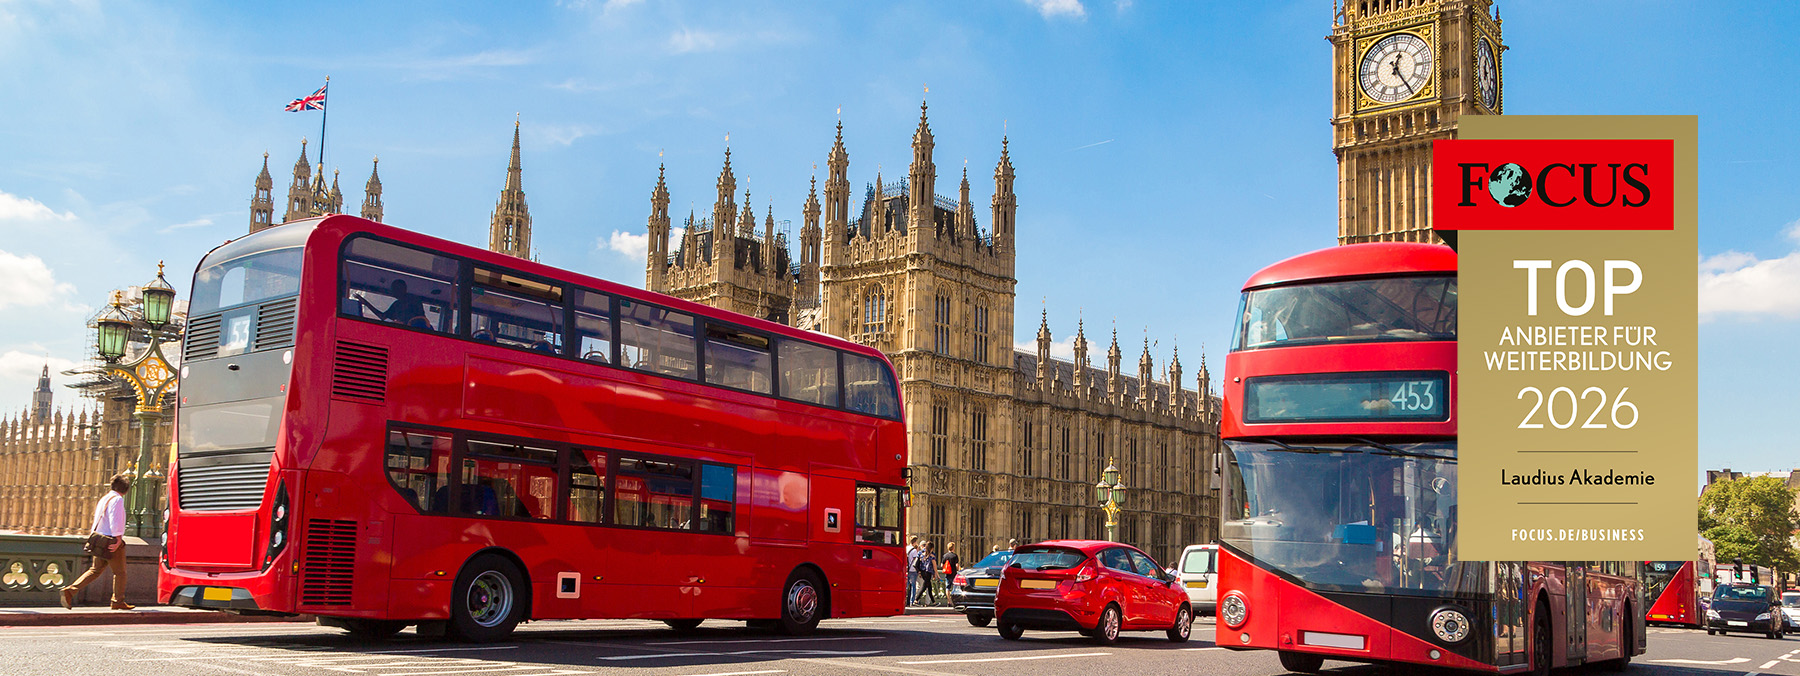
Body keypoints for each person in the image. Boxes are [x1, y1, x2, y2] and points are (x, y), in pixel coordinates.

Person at [61, 473, 133, 610]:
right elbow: (115, 520)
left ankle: (70, 591)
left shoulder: (105, 498)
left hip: (100, 539)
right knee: (120, 573)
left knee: (95, 570)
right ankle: (117, 601)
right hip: (110, 541)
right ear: (126, 490)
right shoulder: (117, 499)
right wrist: (118, 539)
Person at [357, 278, 428, 327]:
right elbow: (384, 317)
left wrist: (406, 324)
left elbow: (420, 318)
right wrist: (366, 303)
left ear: (404, 289)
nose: (393, 291)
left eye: (396, 288)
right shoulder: (396, 304)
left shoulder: (414, 300)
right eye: (393, 289)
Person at [905, 536, 921, 606]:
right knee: (913, 586)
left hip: (907, 569)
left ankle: (905, 601)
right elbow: (916, 561)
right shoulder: (914, 550)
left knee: (906, 586)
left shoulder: (906, 548)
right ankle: (912, 601)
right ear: (915, 542)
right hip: (913, 570)